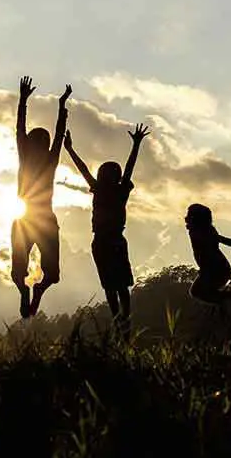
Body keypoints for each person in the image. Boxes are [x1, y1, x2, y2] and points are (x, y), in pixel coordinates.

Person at [64, 123, 150, 339]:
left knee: (116, 285)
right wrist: (70, 150)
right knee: (115, 285)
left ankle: (123, 319)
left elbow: (86, 169)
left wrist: (70, 149)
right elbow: (84, 169)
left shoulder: (114, 190)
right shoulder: (113, 190)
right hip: (107, 241)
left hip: (108, 241)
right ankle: (122, 319)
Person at [13, 75, 71, 318]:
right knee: (22, 272)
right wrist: (60, 107)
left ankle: (33, 292)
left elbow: (24, 131)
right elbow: (52, 135)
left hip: (31, 219)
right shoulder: (45, 160)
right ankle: (28, 293)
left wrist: (25, 100)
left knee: (47, 275)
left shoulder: (37, 159)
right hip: (36, 219)